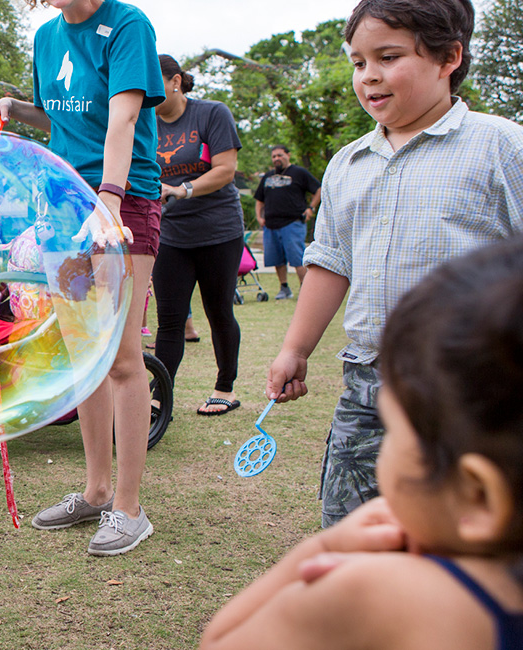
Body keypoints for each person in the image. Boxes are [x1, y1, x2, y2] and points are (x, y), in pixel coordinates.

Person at [267, 0, 523, 528]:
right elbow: (331, 261)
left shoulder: (501, 146)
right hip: (367, 381)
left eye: (388, 56)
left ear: (448, 57)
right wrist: (295, 348)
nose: (370, 77)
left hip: (472, 385)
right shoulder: (349, 162)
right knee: (351, 529)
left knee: (465, 538)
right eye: (359, 62)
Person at [202, 237, 523, 650]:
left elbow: (221, 640)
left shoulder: (379, 592)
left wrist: (326, 547)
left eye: (392, 428)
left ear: (478, 495)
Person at [0, 0, 165, 556]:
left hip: (121, 199)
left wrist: (107, 201)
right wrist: (17, 107)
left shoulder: (127, 24)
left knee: (121, 358)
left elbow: (123, 117)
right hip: (57, 202)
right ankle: (96, 490)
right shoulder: (46, 37)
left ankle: (130, 510)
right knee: (84, 354)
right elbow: (61, 118)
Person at [152, 54, 246, 417]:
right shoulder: (144, 122)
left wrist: (183, 189)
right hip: (171, 233)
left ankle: (225, 388)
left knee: (218, 309)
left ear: (175, 81)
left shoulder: (211, 113)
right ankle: (160, 394)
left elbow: (226, 170)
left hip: (218, 229)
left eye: (154, 82)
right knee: (170, 319)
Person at [254, 144, 321, 299]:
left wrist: (311, 208)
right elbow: (259, 200)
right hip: (270, 225)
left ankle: (306, 291)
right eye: (274, 156)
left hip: (293, 223)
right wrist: (259, 217)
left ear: (288, 155)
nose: (277, 158)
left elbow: (318, 189)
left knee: (297, 258)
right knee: (277, 259)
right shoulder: (268, 177)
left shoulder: (299, 173)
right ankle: (284, 288)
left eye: (280, 155)